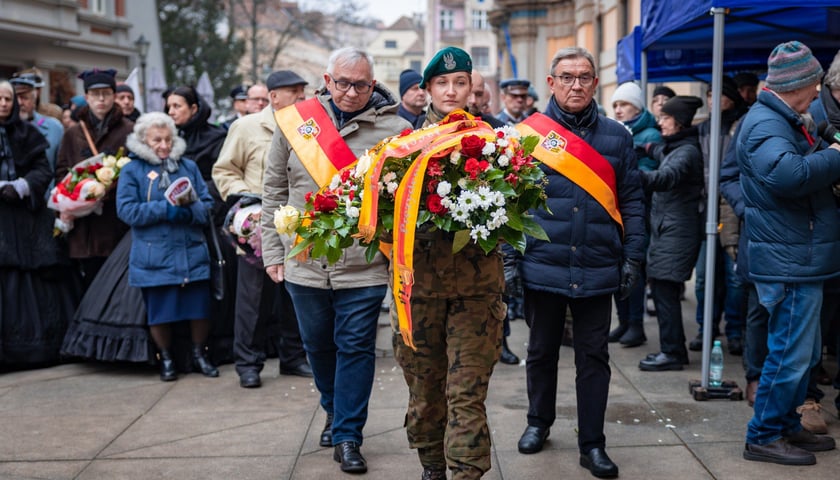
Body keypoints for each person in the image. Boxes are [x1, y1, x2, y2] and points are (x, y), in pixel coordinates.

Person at [261, 46, 410, 475]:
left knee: (357, 347)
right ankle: (332, 408)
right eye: (341, 83)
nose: (349, 92)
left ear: (373, 83)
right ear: (327, 81)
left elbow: (402, 201)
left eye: (360, 84)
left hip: (362, 265)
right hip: (303, 261)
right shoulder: (296, 122)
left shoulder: (396, 129)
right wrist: (273, 252)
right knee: (318, 347)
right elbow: (272, 192)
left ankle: (348, 434)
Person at [516, 47, 645, 479]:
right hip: (543, 264)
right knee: (540, 352)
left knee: (594, 357)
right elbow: (509, 208)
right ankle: (539, 422)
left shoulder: (618, 137)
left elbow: (632, 202)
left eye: (584, 77)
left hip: (597, 264)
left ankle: (592, 443)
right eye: (567, 77)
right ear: (551, 83)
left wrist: (634, 258)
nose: (576, 85)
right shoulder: (525, 134)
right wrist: (511, 265)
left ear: (595, 83)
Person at [389, 46, 506, 480]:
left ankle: (465, 473)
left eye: (461, 83)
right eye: (443, 83)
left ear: (472, 87)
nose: (452, 91)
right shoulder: (400, 150)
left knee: (467, 393)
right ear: (428, 90)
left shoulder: (498, 146)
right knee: (425, 394)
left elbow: (516, 214)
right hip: (418, 291)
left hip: (477, 291)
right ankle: (432, 466)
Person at [739, 41, 840, 465]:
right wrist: (836, 156)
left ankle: (785, 425)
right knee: (789, 354)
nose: (819, 93)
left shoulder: (781, 118)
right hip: (789, 258)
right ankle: (762, 435)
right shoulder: (765, 122)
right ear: (797, 84)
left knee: (805, 353)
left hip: (798, 252)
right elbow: (789, 176)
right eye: (815, 84)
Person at [213, 70, 312, 389]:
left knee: (296, 294)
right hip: (258, 222)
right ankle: (248, 362)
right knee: (252, 296)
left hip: (299, 220)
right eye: (294, 91)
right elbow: (224, 170)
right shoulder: (246, 126)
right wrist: (244, 198)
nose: (301, 97)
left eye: (303, 91)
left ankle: (293, 356)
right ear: (273, 96)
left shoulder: (308, 125)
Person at [117, 112, 218, 381]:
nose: (163, 145)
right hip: (154, 254)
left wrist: (190, 210)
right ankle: (167, 359)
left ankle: (199, 354)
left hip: (191, 250)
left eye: (168, 139)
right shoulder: (131, 170)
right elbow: (126, 211)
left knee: (199, 309)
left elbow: (208, 205)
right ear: (143, 141)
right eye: (156, 140)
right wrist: (167, 209)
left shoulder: (189, 166)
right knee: (160, 313)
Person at [0, 80, 79, 367]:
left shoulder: (28, 133)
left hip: (27, 214)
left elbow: (43, 169)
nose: (5, 103)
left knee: (41, 271)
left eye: (8, 98)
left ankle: (40, 347)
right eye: (1, 98)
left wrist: (22, 186)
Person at [635, 95, 704, 372]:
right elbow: (660, 152)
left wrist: (629, 173)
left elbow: (664, 178)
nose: (660, 122)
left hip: (677, 233)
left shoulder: (687, 152)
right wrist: (643, 147)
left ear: (679, 122)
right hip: (669, 231)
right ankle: (672, 349)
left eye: (665, 118)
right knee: (663, 290)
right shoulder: (676, 147)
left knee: (665, 292)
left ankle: (672, 352)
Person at [166, 85, 233, 363]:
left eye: (177, 106)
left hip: (208, 221)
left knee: (211, 286)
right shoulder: (167, 138)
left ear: (194, 108)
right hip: (173, 223)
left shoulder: (217, 137)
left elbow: (222, 176)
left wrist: (196, 194)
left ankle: (211, 347)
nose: (171, 112)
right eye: (168, 107)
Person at [55, 68, 133, 291]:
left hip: (115, 221)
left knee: (118, 284)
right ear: (86, 97)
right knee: (88, 284)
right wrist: (80, 191)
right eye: (95, 94)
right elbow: (61, 171)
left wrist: (105, 190)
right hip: (84, 226)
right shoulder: (72, 133)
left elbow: (135, 171)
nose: (101, 99)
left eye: (106, 93)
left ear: (113, 95)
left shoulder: (129, 130)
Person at [690, 76, 749, 356]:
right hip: (705, 213)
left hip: (733, 214)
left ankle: (735, 331)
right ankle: (706, 329)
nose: (712, 100)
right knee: (703, 277)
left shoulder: (742, 126)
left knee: (734, 277)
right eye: (709, 95)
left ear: (731, 98)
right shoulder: (701, 129)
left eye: (718, 95)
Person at [608, 81, 661, 348]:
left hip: (640, 209)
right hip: (616, 209)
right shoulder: (618, 131)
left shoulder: (649, 135)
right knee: (618, 268)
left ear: (637, 107)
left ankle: (636, 325)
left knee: (634, 269)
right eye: (615, 105)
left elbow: (648, 172)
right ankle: (624, 322)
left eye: (624, 104)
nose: (618, 110)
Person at [10, 71, 63, 172]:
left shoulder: (54, 128)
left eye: (25, 98)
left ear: (34, 100)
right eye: (15, 98)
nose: (20, 103)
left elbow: (61, 168)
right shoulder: (3, 130)